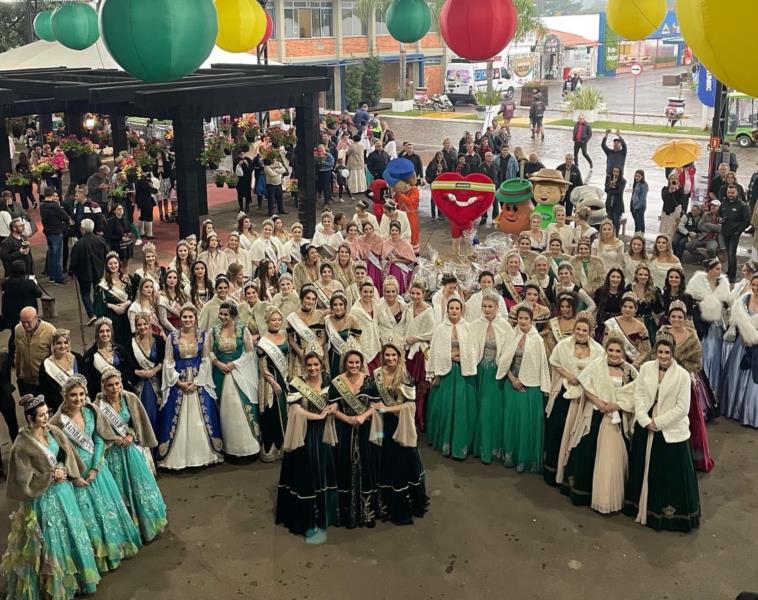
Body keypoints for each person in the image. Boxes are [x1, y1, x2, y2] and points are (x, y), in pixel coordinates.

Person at [2, 394, 101, 597]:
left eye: (47, 413)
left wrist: (64, 468)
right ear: (30, 418)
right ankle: (54, 586)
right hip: (42, 499)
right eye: (41, 416)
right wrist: (48, 476)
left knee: (72, 532)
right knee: (51, 540)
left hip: (63, 492)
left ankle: (78, 579)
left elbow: (64, 454)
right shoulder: (21, 446)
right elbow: (22, 482)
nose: (46, 418)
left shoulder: (53, 432)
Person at [49, 375, 142, 571]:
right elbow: (57, 452)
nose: (78, 399)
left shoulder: (91, 412)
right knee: (89, 517)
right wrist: (72, 474)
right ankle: (97, 558)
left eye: (82, 394)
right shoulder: (57, 422)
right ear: (64, 396)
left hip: (97, 469)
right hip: (77, 472)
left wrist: (95, 467)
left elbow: (100, 439)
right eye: (73, 395)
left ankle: (116, 549)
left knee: (108, 510)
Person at [623, 336, 700, 532]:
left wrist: (659, 423)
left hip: (670, 431)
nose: (663, 356)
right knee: (641, 465)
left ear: (673, 353)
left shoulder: (682, 375)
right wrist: (644, 419)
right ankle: (639, 507)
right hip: (646, 424)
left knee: (668, 472)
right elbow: (638, 394)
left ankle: (668, 515)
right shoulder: (647, 368)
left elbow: (683, 408)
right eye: (660, 352)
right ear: (655, 352)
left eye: (667, 352)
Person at [567, 338, 637, 513]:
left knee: (614, 457)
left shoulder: (631, 372)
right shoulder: (596, 365)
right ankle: (586, 493)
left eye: (617, 351)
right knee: (589, 451)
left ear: (623, 353)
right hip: (596, 414)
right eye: (610, 350)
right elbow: (586, 386)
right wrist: (599, 403)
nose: (613, 354)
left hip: (617, 417)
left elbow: (635, 395)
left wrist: (617, 406)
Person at [97, 368, 167, 542]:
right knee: (120, 491)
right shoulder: (98, 406)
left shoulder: (130, 398)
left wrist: (131, 435)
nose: (114, 388)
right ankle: (129, 529)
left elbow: (139, 423)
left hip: (131, 450)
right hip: (112, 453)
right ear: (104, 387)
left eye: (117, 384)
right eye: (110, 385)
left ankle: (147, 524)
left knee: (140, 486)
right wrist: (113, 439)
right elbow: (97, 431)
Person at [275, 350, 338, 542]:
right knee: (307, 472)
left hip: (324, 433)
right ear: (304, 366)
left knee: (323, 471)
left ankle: (324, 516)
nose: (312, 368)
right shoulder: (297, 384)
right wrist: (318, 416)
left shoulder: (329, 381)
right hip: (304, 434)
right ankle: (307, 519)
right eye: (309, 365)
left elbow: (336, 403)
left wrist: (333, 408)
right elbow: (295, 410)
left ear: (322, 366)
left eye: (316, 365)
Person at [158, 304, 223, 470]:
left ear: (195, 319)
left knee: (200, 417)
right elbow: (168, 362)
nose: (187, 320)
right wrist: (178, 382)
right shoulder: (172, 336)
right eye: (184, 317)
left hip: (198, 382)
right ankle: (177, 458)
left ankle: (203, 455)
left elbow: (206, 360)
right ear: (180, 319)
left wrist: (198, 382)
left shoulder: (203, 335)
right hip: (179, 382)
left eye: (190, 317)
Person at [373, 340, 428, 524]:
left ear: (399, 357)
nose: (390, 358)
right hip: (381, 426)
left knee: (401, 461)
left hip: (400, 425)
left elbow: (409, 406)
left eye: (393, 355)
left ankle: (402, 504)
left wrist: (386, 409)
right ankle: (384, 503)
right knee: (383, 459)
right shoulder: (376, 375)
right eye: (387, 355)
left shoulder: (405, 376)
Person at [544, 317, 604, 485]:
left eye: (584, 330)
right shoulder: (563, 345)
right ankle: (552, 471)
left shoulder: (599, 351)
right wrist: (568, 375)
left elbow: (600, 374)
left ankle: (568, 475)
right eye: (578, 329)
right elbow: (554, 362)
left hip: (585, 398)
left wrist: (585, 382)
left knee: (576, 434)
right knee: (558, 430)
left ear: (590, 332)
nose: (581, 333)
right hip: (564, 394)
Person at [658, 302, 716, 472]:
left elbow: (697, 363)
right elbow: (655, 354)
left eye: (680, 317)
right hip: (663, 378)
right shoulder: (662, 332)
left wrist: (679, 371)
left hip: (686, 380)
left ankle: (690, 456)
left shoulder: (692, 336)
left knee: (689, 418)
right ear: (669, 317)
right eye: (673, 316)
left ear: (685, 319)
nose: (676, 320)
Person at [426, 298, 477, 459]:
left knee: (462, 408)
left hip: (463, 374)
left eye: (457, 308)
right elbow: (436, 352)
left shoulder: (468, 328)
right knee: (445, 407)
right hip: (446, 374)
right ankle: (444, 442)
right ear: (447, 310)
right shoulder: (441, 329)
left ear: (461, 310)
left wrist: (459, 356)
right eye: (451, 308)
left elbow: (473, 351)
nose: (454, 311)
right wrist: (452, 356)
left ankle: (460, 444)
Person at [210, 301, 260, 459]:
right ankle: (230, 449)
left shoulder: (242, 329)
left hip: (239, 373)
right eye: (221, 314)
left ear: (233, 315)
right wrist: (217, 363)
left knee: (240, 407)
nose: (223, 317)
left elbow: (249, 352)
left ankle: (248, 448)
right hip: (221, 375)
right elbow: (209, 352)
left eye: (226, 314)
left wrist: (234, 364)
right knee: (226, 410)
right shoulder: (214, 330)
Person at [471, 293, 512, 464]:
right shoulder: (475, 325)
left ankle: (492, 448)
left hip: (496, 373)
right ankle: (479, 446)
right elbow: (471, 348)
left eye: (490, 307)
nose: (487, 310)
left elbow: (509, 351)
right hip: (479, 371)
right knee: (478, 407)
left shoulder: (505, 326)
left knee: (492, 409)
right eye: (485, 306)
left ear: (497, 308)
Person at [686, 258, 731, 396]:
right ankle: (701, 388)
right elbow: (690, 300)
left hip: (716, 324)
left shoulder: (723, 283)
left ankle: (714, 389)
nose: (720, 272)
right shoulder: (697, 282)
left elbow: (727, 302)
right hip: (702, 323)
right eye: (717, 269)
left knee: (715, 355)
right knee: (704, 353)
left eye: (720, 269)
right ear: (709, 270)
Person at [721, 273, 758, 428]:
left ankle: (752, 415)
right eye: (754, 285)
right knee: (735, 375)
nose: (755, 288)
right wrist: (745, 335)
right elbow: (737, 320)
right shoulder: (744, 300)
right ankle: (734, 410)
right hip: (742, 344)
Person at [257, 306, 291, 462]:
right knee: (272, 413)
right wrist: (274, 383)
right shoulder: (263, 341)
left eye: (279, 319)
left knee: (287, 411)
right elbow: (263, 368)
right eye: (273, 320)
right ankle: (273, 448)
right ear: (267, 321)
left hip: (286, 378)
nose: (276, 322)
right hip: (270, 382)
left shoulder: (285, 335)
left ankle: (285, 445)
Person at [125, 313, 165, 436]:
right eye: (139, 325)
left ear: (149, 324)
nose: (142, 327)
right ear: (135, 326)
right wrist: (136, 372)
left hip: (157, 382)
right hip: (140, 385)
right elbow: (127, 365)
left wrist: (155, 369)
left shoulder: (158, 340)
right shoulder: (130, 343)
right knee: (146, 413)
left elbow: (165, 360)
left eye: (144, 324)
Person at [38, 328, 84, 415]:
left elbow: (86, 380)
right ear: (53, 345)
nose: (63, 346)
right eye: (59, 343)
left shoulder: (77, 358)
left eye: (65, 343)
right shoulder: (46, 364)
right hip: (59, 408)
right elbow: (45, 389)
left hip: (80, 403)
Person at [601, 293, 651, 369]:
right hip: (612, 361)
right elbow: (605, 344)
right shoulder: (611, 323)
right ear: (621, 308)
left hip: (633, 365)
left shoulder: (641, 328)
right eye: (625, 306)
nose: (627, 309)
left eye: (631, 307)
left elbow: (647, 351)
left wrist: (635, 364)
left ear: (635, 310)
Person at [82, 317, 128, 400]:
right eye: (101, 331)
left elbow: (127, 370)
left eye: (108, 331)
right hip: (101, 396)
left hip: (120, 392)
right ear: (97, 334)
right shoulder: (89, 356)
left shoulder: (120, 350)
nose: (105, 334)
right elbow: (89, 381)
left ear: (111, 332)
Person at [14, 306, 55, 397]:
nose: (25, 325)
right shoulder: (18, 329)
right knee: (30, 409)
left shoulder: (49, 330)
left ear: (36, 318)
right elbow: (18, 352)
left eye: (28, 322)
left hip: (45, 380)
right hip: (27, 381)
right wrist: (18, 373)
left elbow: (56, 356)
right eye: (23, 322)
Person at [719, 184, 751, 283]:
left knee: (732, 253)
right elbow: (720, 213)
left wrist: (738, 231)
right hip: (725, 231)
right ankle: (729, 271)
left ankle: (732, 276)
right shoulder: (724, 203)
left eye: (732, 193)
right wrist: (720, 219)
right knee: (728, 253)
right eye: (729, 192)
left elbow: (746, 221)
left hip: (735, 233)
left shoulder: (743, 205)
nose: (730, 194)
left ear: (737, 193)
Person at [40, 187, 71, 284]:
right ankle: (58, 278)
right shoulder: (55, 205)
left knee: (51, 254)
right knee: (58, 256)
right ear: (52, 194)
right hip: (56, 232)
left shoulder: (42, 205)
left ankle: (52, 277)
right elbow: (65, 216)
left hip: (47, 232)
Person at [626, 264, 663, 341]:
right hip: (633, 321)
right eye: (640, 274)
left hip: (649, 323)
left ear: (649, 276)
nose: (643, 277)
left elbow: (658, 310)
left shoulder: (654, 290)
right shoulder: (629, 287)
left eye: (646, 275)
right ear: (636, 275)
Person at [381, 221, 416, 294]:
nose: (394, 232)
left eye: (396, 230)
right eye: (392, 230)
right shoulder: (386, 243)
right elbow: (383, 258)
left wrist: (397, 260)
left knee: (396, 270)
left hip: (402, 269)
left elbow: (411, 260)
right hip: (388, 269)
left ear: (399, 232)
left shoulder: (405, 244)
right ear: (390, 232)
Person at [104, 204, 134, 270]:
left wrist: (129, 234)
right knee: (118, 263)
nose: (121, 210)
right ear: (114, 211)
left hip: (127, 245)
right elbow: (108, 235)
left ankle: (126, 277)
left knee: (126, 262)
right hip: (116, 245)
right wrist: (120, 238)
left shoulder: (125, 218)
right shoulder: (111, 221)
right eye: (119, 209)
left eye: (121, 209)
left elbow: (129, 229)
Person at [660, 174, 685, 239]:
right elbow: (665, 199)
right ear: (669, 180)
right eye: (672, 178)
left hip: (675, 212)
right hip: (666, 211)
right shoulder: (665, 189)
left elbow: (680, 202)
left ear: (677, 180)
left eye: (675, 178)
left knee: (672, 230)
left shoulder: (680, 189)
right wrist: (670, 190)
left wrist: (676, 190)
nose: (673, 180)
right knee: (664, 230)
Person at [604, 167, 626, 235]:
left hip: (618, 204)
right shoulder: (609, 178)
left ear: (620, 173)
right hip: (609, 203)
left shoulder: (622, 181)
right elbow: (606, 189)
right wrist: (611, 186)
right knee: (609, 220)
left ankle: (616, 236)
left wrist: (613, 188)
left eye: (617, 172)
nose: (615, 173)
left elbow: (619, 191)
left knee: (616, 221)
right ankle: (609, 235)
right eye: (614, 171)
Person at [630, 169, 648, 234]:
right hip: (634, 205)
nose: (637, 178)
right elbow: (633, 195)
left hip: (640, 207)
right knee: (636, 223)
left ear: (642, 177)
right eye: (636, 176)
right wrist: (632, 206)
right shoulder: (636, 183)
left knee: (640, 223)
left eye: (638, 176)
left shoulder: (644, 185)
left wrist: (636, 207)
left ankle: (640, 236)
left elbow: (642, 198)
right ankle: (636, 236)